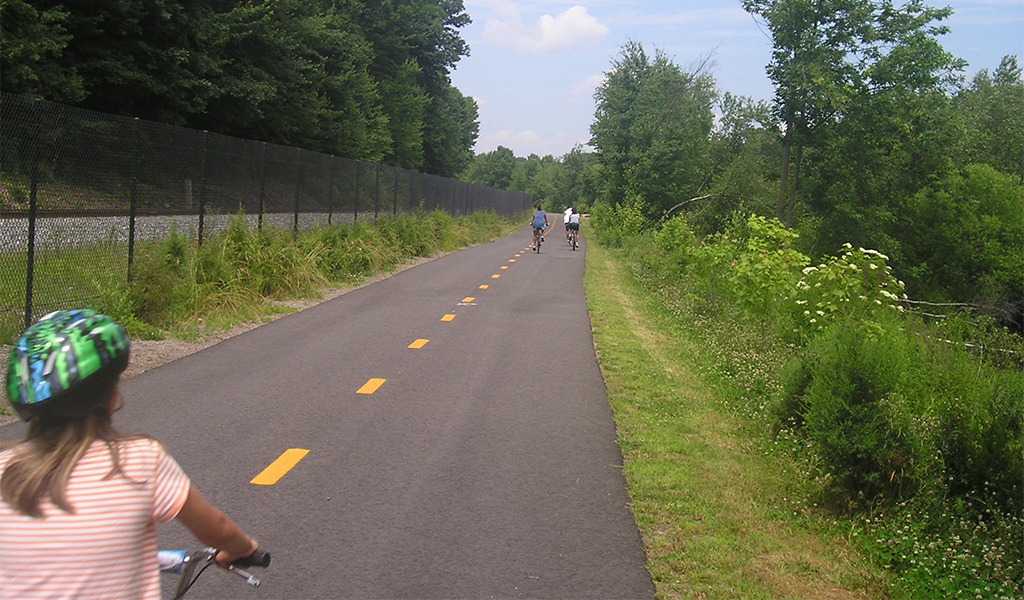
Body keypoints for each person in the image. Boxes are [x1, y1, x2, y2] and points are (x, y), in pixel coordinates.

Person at [0, 309, 260, 600]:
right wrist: (243, 548)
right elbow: (218, 530)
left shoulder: (3, 468)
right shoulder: (139, 460)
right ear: (110, 396)